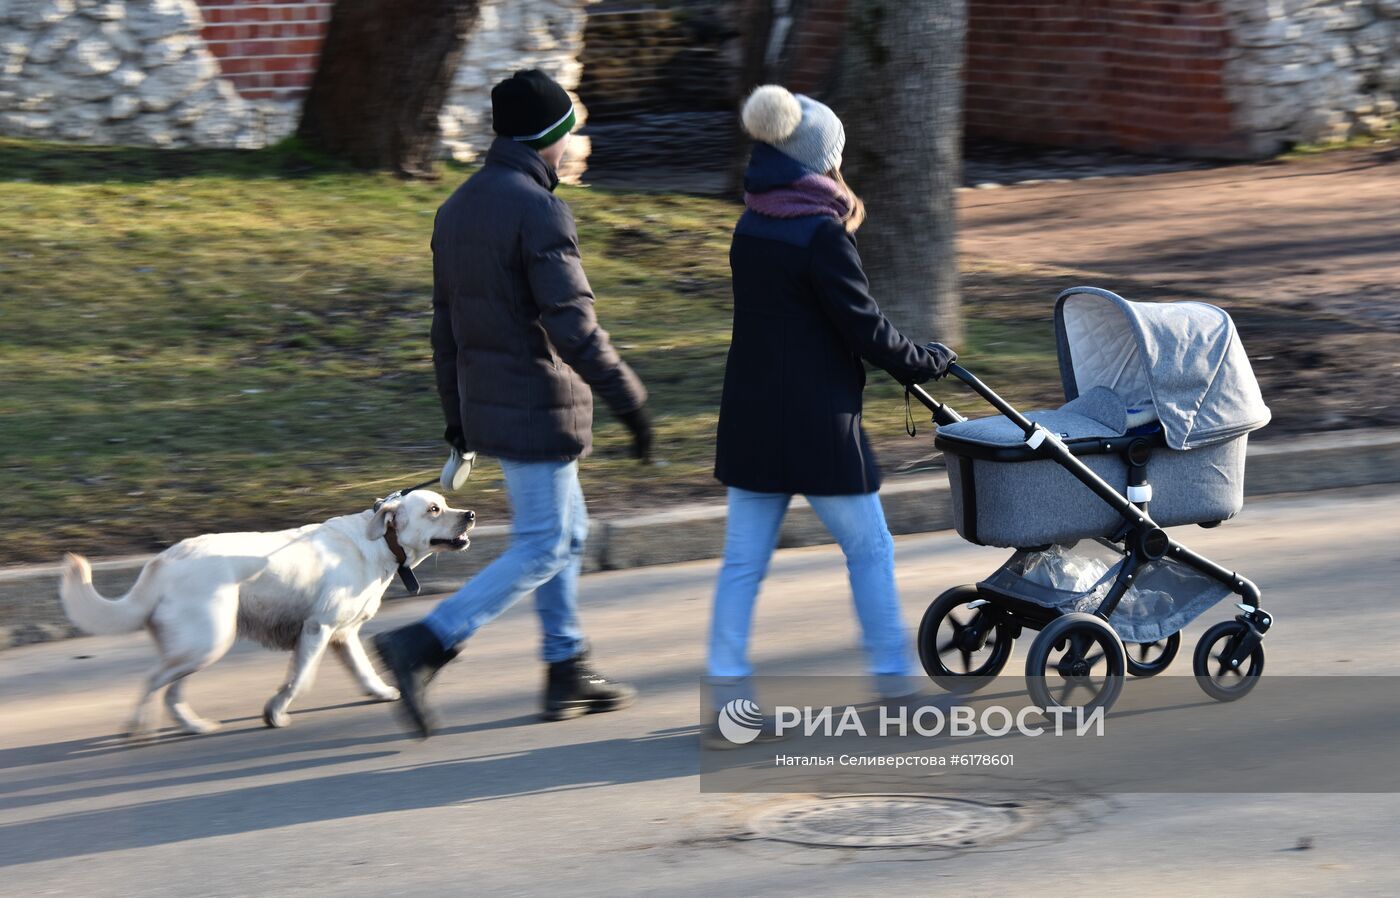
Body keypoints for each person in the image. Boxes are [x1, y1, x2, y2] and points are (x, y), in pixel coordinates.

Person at [374, 70, 652, 738]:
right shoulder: (538, 209)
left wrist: (457, 419)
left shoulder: (459, 206)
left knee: (568, 534)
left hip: (494, 404)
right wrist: (629, 397)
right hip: (536, 404)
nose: (571, 147)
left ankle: (566, 666)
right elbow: (573, 325)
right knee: (543, 543)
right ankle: (425, 642)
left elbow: (445, 330)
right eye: (569, 135)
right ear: (551, 138)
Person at [706, 85, 957, 732]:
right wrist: (925, 361)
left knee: (742, 565)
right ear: (823, 161)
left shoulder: (751, 222)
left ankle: (726, 697)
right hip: (817, 424)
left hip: (752, 417)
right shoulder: (819, 233)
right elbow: (864, 329)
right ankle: (896, 690)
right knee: (870, 549)